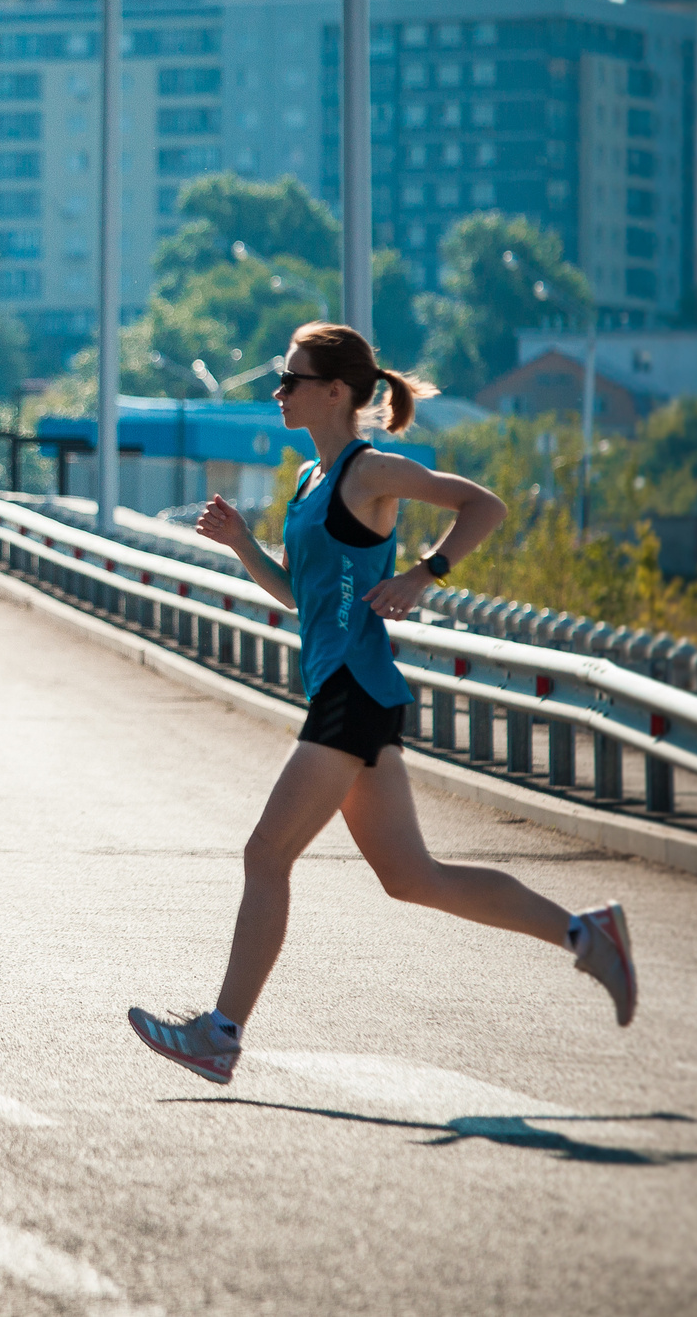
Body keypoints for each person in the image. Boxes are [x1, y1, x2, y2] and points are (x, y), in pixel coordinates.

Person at [128, 321, 635, 1086]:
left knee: (266, 853)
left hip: (353, 693)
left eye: (291, 379)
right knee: (413, 877)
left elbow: (483, 505)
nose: (278, 391)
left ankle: (219, 1033)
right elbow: (304, 596)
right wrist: (241, 544)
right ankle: (586, 932)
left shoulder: (370, 473)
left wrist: (424, 574)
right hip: (347, 688)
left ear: (335, 391)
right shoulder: (308, 481)